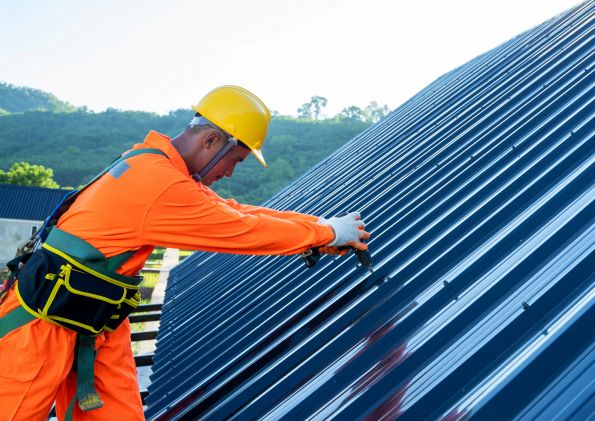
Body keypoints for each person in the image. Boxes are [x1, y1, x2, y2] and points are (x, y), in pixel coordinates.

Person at [0, 85, 370, 421]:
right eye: (235, 160)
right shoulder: (160, 184)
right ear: (211, 140)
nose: (229, 173)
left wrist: (320, 227)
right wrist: (325, 232)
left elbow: (235, 211)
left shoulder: (152, 163)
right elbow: (242, 230)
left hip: (92, 322)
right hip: (40, 328)